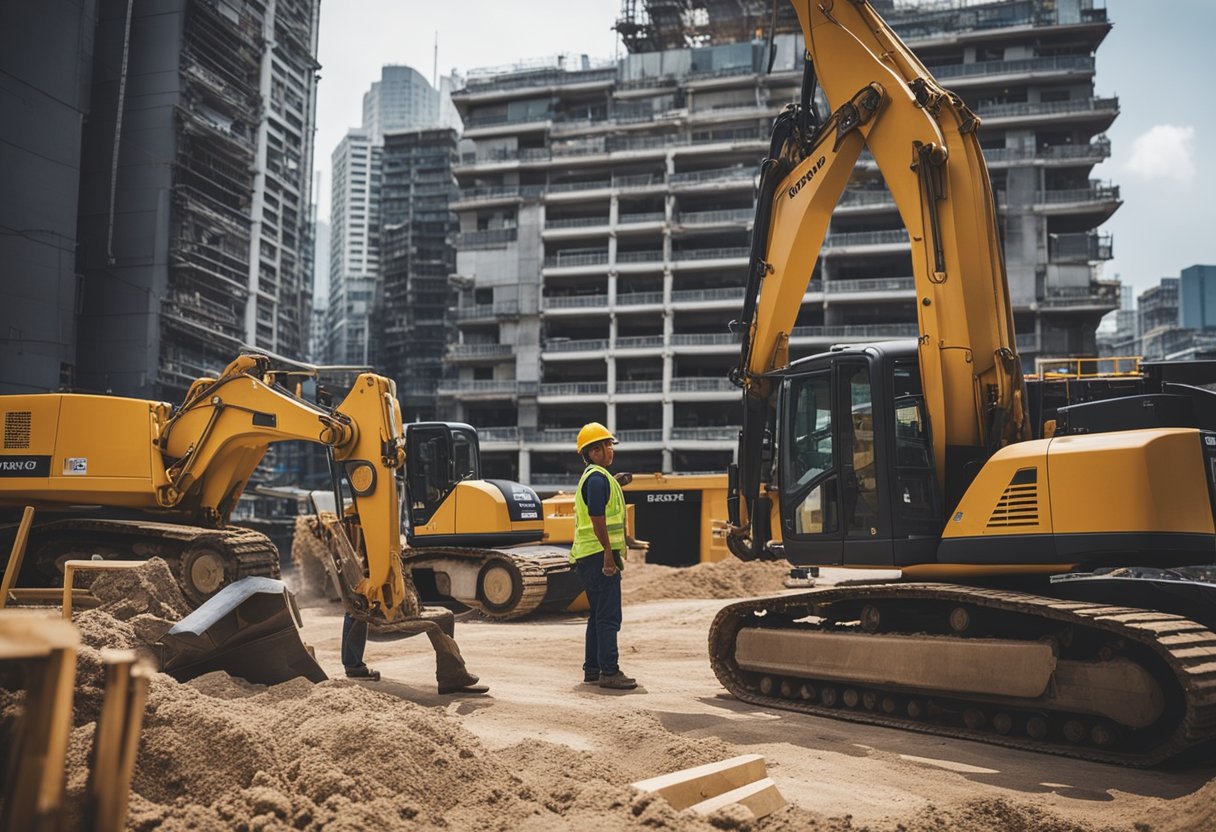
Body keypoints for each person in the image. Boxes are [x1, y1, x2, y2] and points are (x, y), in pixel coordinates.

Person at [570, 422, 638, 690]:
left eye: (610, 445)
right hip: (599, 556)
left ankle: (593, 669)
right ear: (594, 451)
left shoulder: (597, 478)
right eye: (607, 446)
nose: (611, 450)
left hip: (591, 555)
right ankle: (609, 672)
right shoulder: (597, 479)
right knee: (609, 616)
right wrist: (609, 556)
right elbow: (597, 519)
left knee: (597, 614)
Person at [342, 611, 489, 695]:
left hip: (360, 619)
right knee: (442, 620)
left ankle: (353, 666)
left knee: (445, 616)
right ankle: (450, 678)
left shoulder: (350, 565)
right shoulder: (378, 565)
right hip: (380, 620)